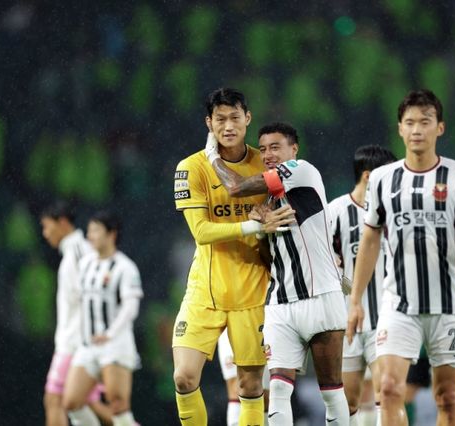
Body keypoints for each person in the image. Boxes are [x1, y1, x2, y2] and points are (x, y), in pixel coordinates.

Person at [347, 89, 455, 426]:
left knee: (448, 396)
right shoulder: (382, 178)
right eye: (409, 122)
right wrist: (355, 300)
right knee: (388, 388)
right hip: (398, 305)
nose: (416, 130)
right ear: (400, 128)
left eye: (425, 122)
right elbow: (370, 239)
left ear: (439, 127)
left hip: (449, 304)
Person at [205, 121, 350, 425]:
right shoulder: (268, 201)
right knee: (278, 390)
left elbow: (235, 187)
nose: (268, 154)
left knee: (331, 390)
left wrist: (213, 158)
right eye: (263, 149)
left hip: (321, 295)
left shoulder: (301, 170)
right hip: (280, 304)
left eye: (275, 147)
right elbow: (268, 258)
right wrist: (261, 228)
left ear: (293, 149)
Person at [172, 88, 290, 426]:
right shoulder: (191, 168)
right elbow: (201, 232)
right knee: (184, 377)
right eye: (220, 119)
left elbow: (284, 219)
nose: (228, 126)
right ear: (209, 123)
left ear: (247, 119)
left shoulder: (265, 165)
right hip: (205, 291)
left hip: (253, 290)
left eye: (235, 118)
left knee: (251, 387)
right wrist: (253, 226)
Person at [328, 145, 397, 425]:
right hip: (346, 322)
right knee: (347, 401)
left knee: (388, 394)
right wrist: (351, 289)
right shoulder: (335, 212)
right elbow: (328, 268)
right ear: (369, 177)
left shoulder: (394, 212)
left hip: (387, 319)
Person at [63, 210, 143, 426]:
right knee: (72, 402)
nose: (90, 236)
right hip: (88, 346)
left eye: (96, 230)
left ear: (111, 234)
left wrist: (110, 333)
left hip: (115, 345)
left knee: (117, 403)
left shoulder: (125, 268)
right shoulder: (85, 264)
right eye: (89, 231)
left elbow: (131, 307)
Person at [39, 201, 111, 426]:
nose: (45, 233)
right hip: (76, 343)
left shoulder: (79, 251)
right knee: (82, 404)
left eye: (47, 226)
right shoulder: (74, 251)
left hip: (77, 344)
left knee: (55, 399)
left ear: (62, 222)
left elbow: (94, 296)